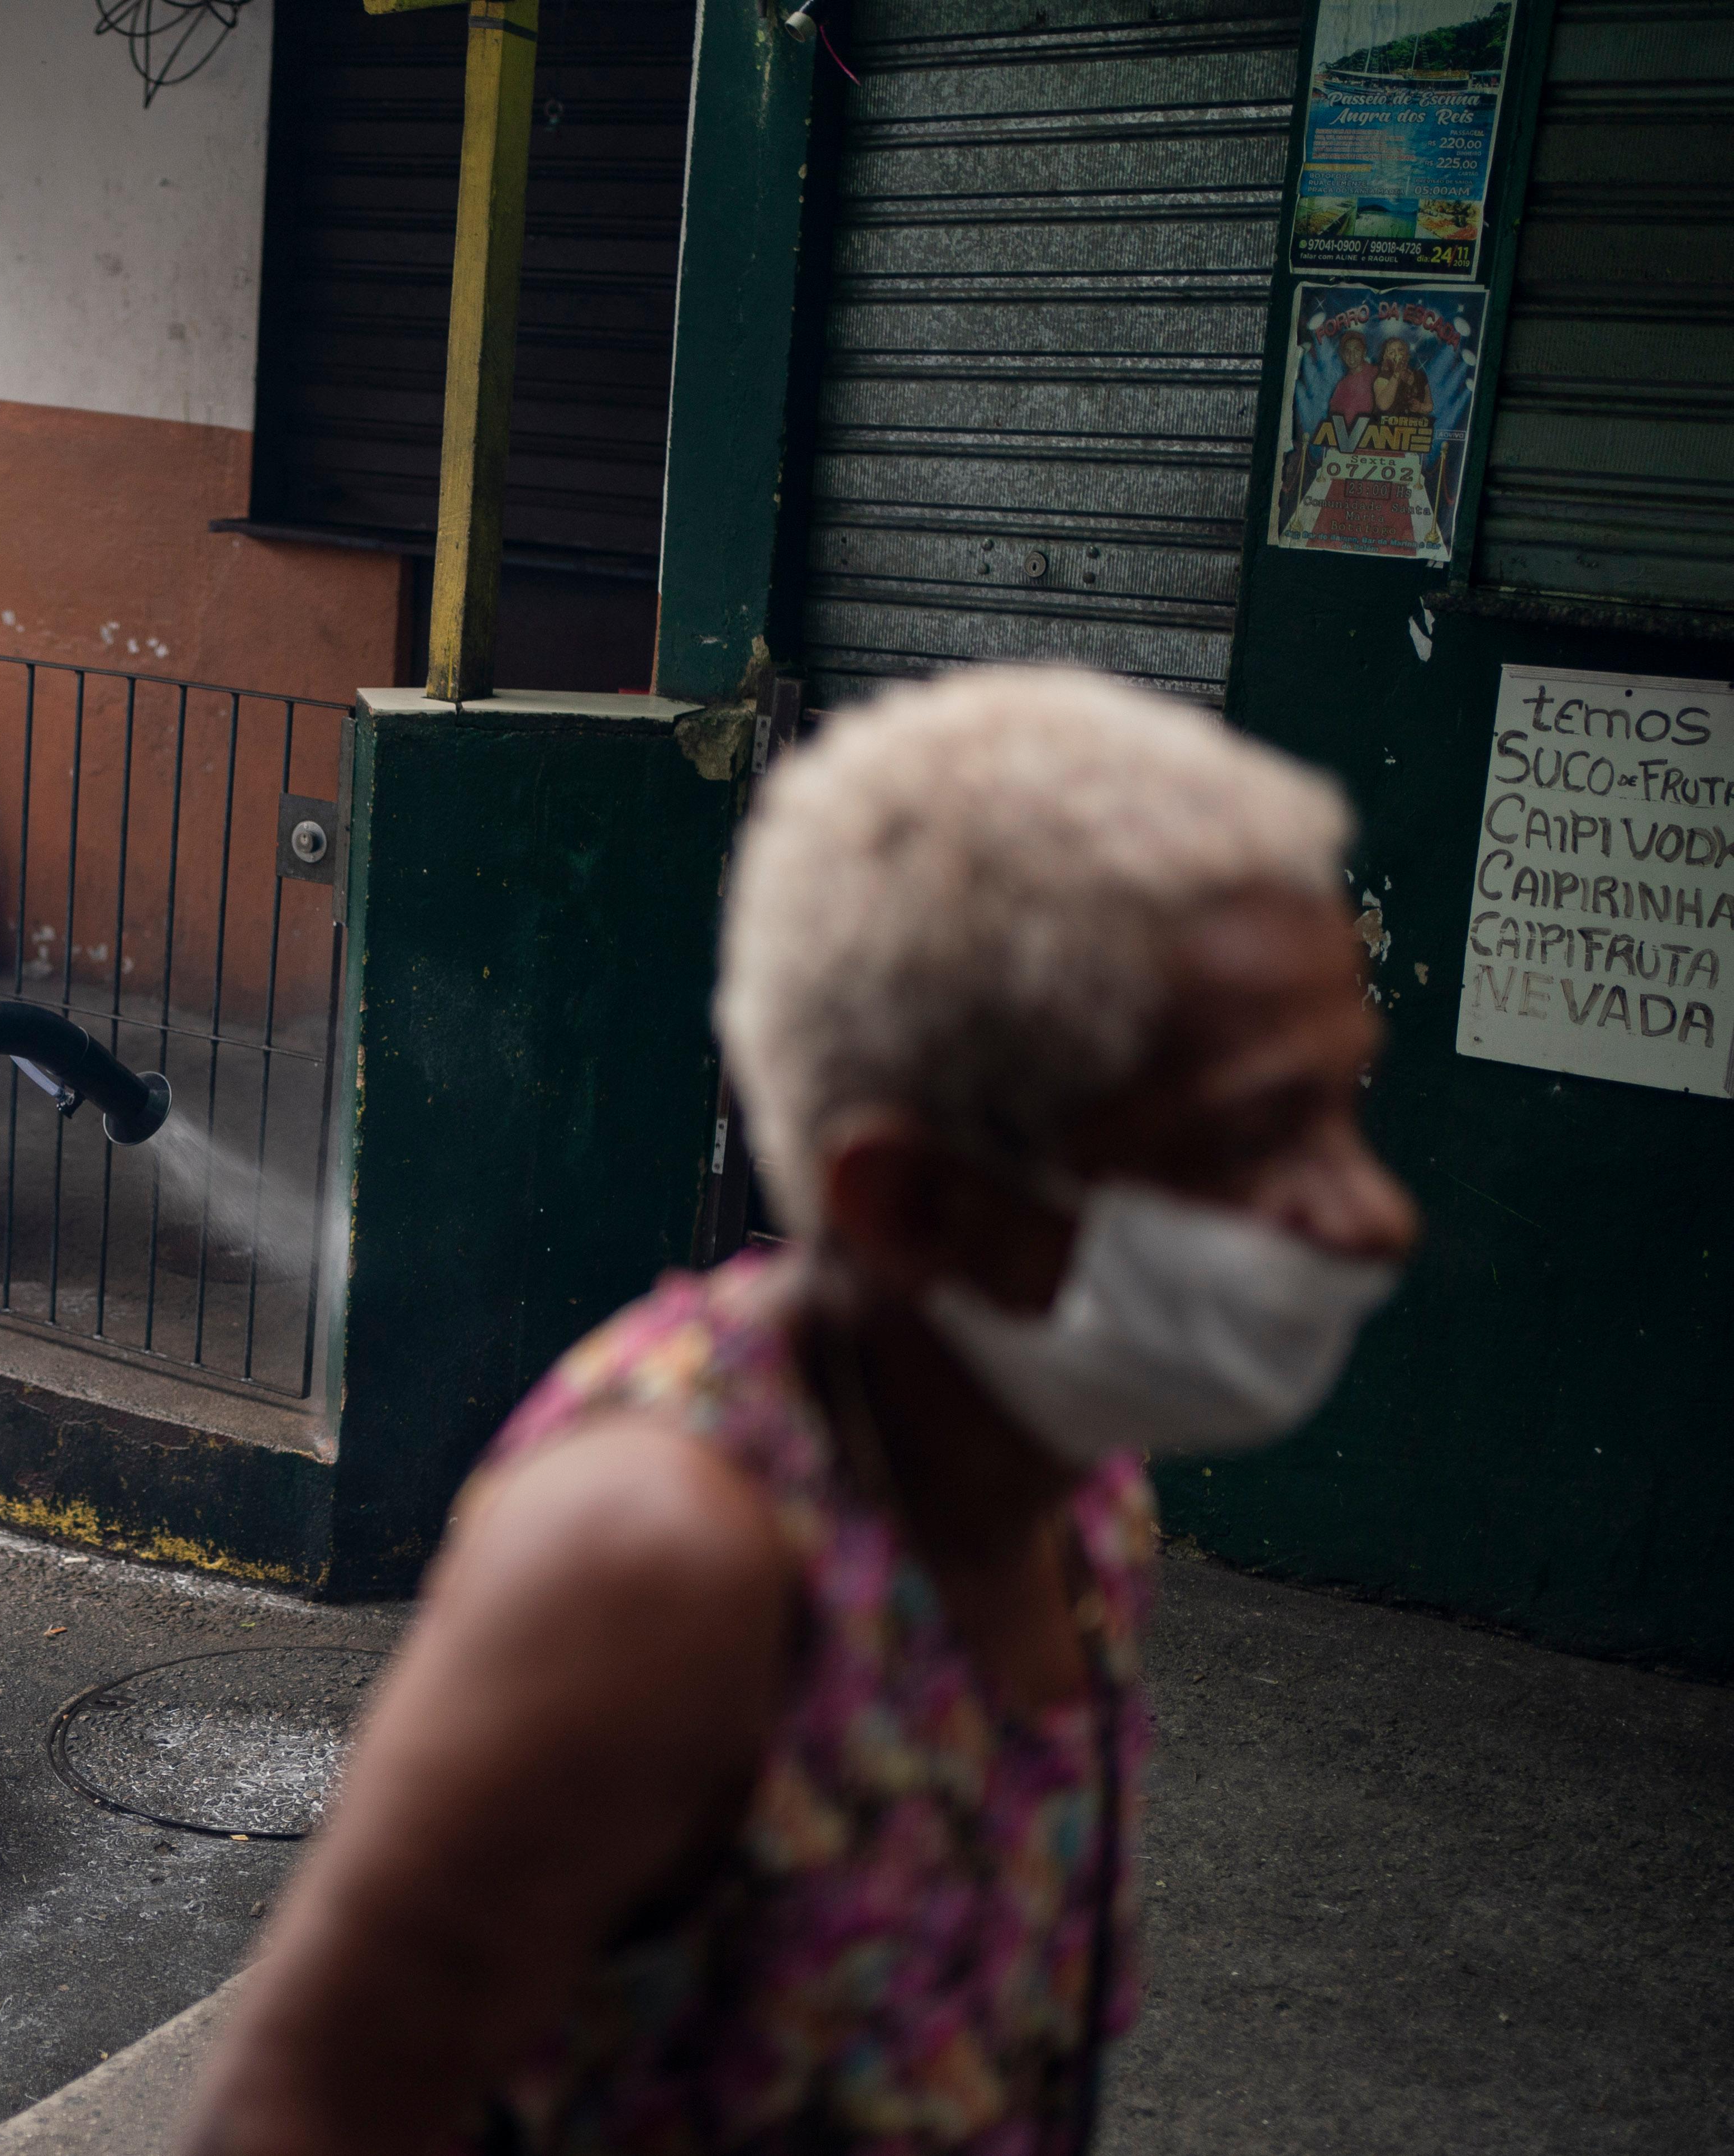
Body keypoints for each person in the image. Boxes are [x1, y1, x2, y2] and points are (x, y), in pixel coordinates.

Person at [181, 666, 1419, 2154]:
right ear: (910, 1203)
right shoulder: (660, 1566)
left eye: (1348, 1103)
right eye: (1258, 1134)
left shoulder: (1072, 1473)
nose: (1370, 1216)